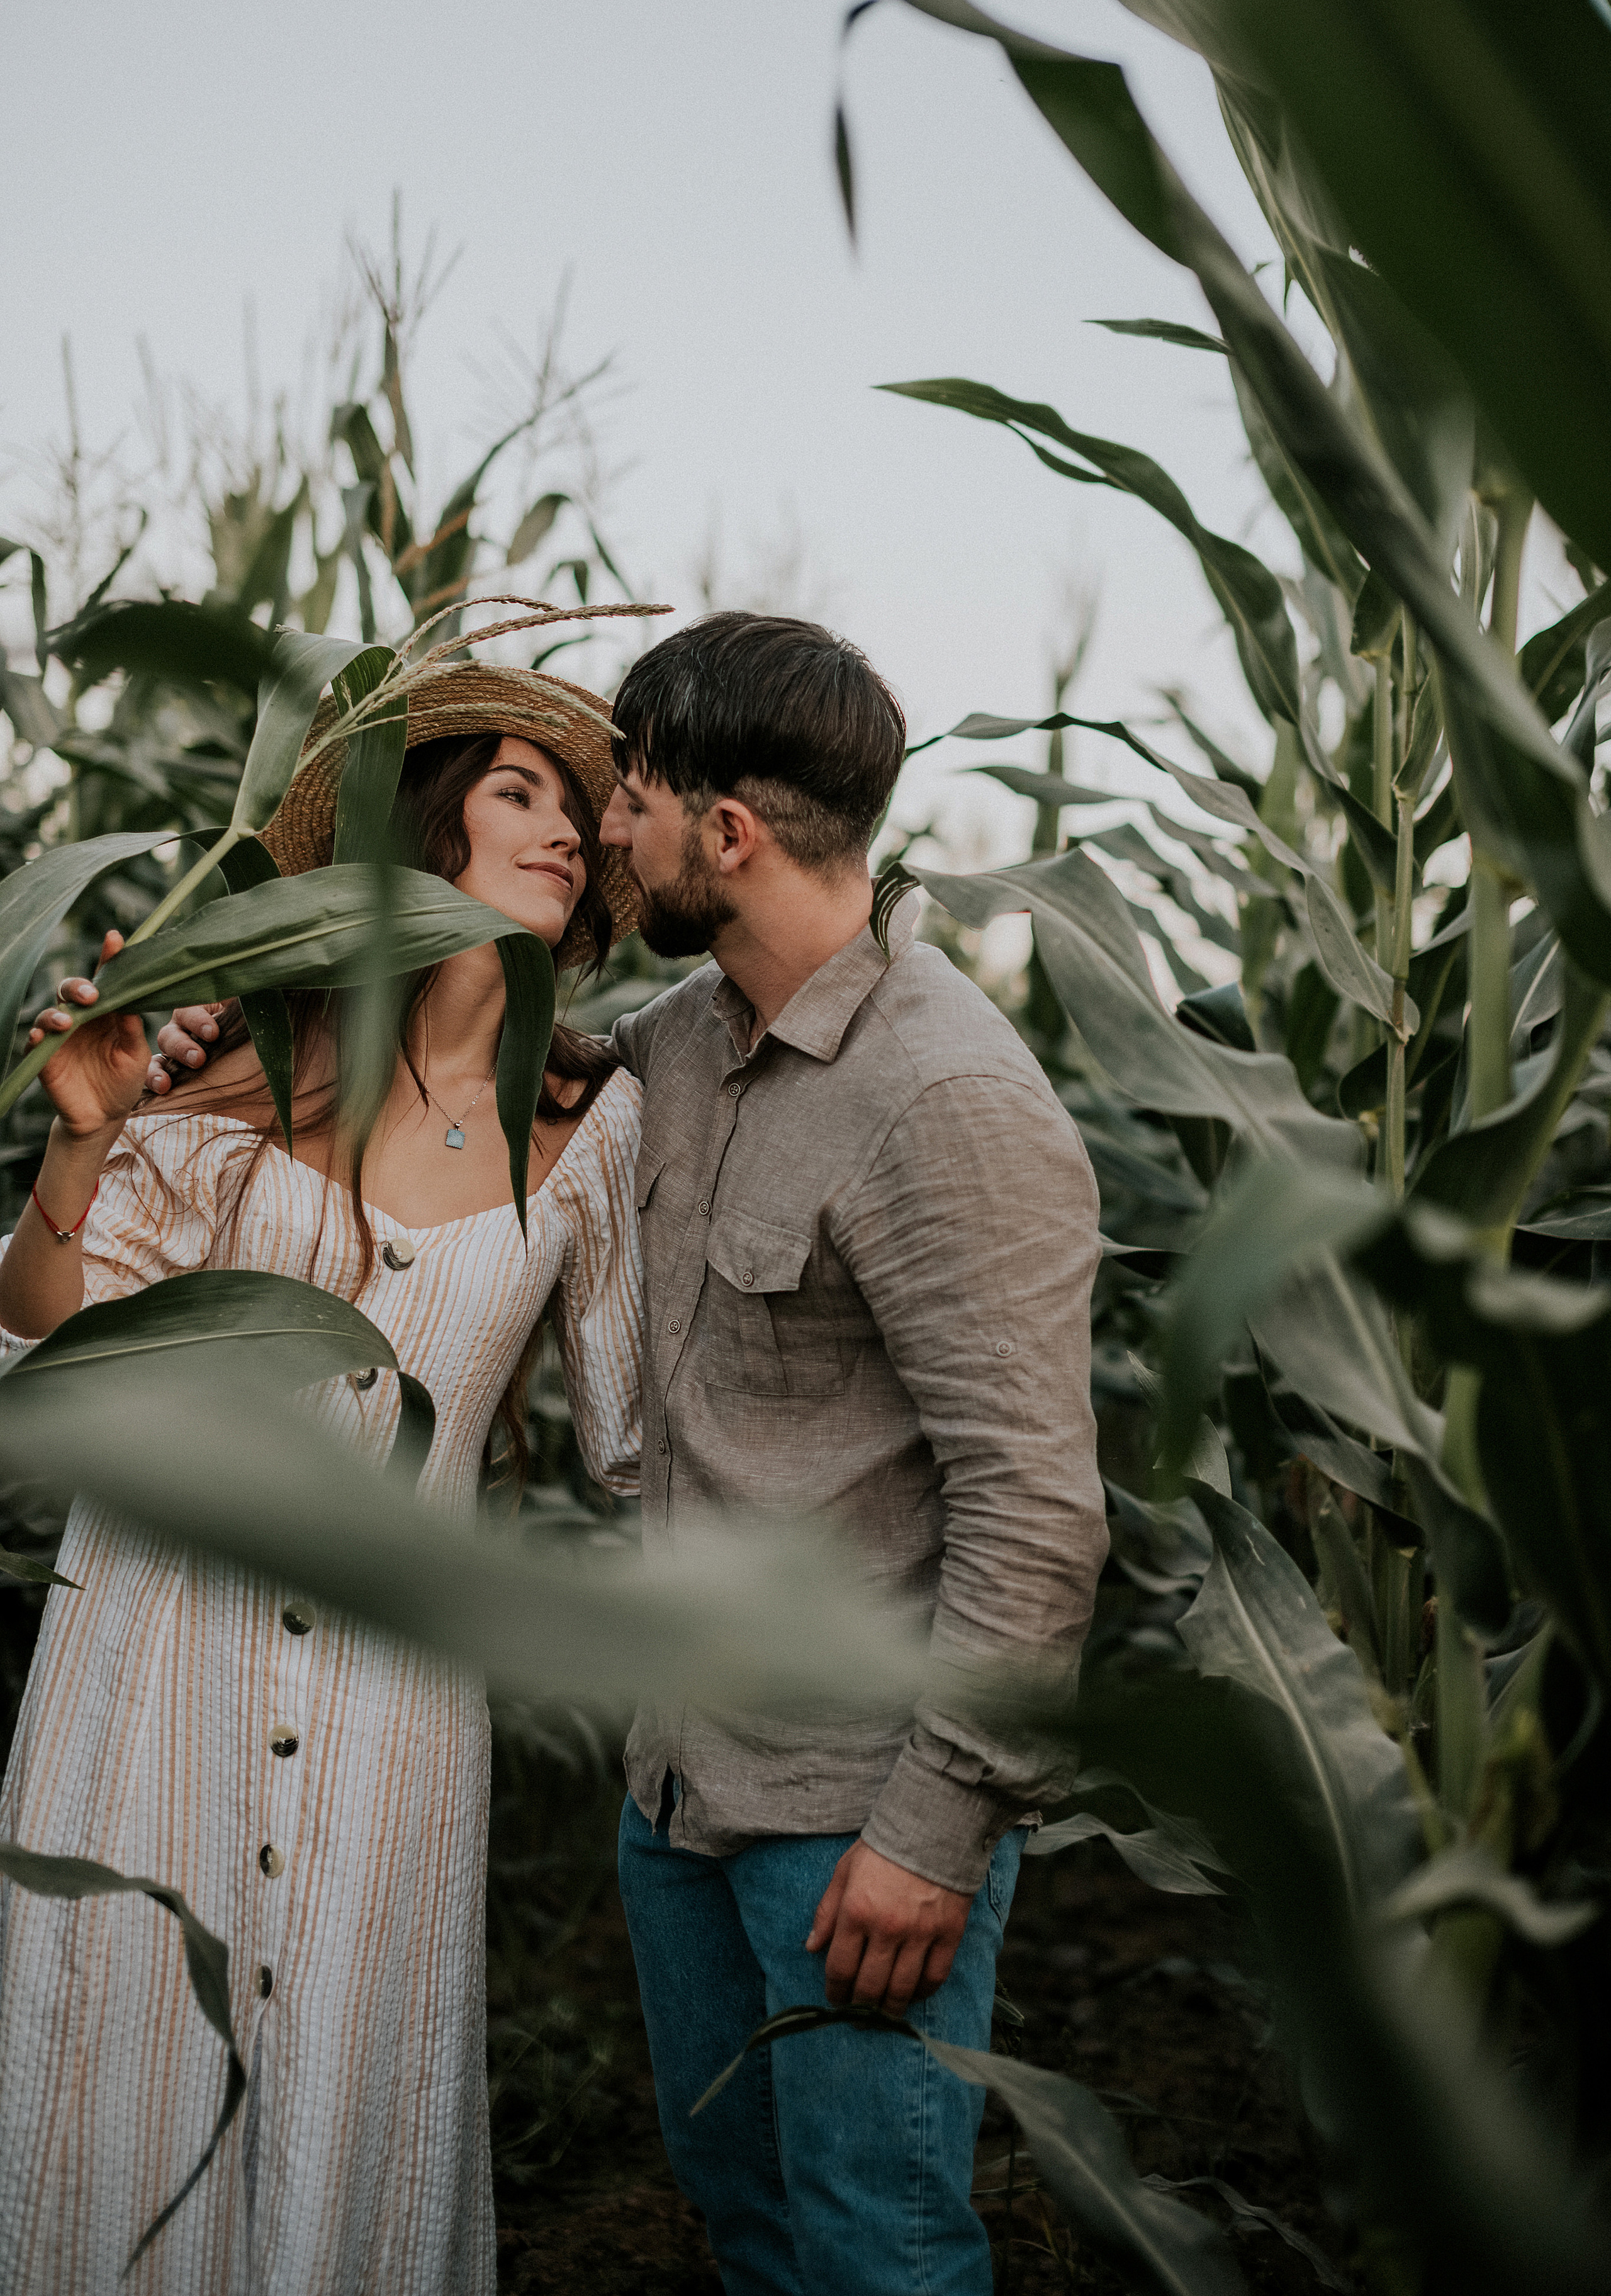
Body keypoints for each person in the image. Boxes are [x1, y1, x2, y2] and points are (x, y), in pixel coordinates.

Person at [157, 611, 1109, 2296]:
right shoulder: (677, 1049)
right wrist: (220, 1057)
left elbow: (1036, 1506)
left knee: (878, 2249)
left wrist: (934, 1830)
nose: (605, 831)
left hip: (851, 1818)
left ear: (725, 835)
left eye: (634, 798)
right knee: (748, 2225)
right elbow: (452, 1088)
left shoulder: (945, 1097)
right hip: (681, 1791)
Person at [0, 667, 645, 2295]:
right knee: (127, 2069)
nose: (565, 825)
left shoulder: (598, 1126)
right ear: (423, 827)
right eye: (520, 790)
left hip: (394, 1709)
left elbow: (644, 1433)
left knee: (348, 2104)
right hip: (152, 1664)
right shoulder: (229, 1067)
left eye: (582, 808)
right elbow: (42, 1353)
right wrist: (79, 1138)